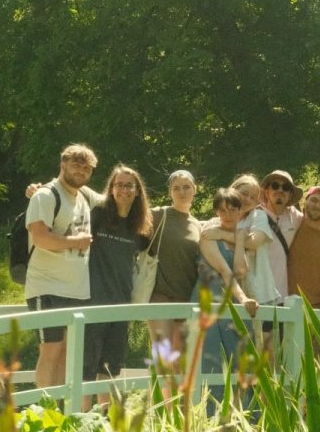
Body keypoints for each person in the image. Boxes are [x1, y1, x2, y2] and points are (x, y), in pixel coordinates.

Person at [25, 143, 97, 389]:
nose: (81, 171)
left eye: (87, 168)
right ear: (62, 165)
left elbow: (119, 199)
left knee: (68, 354)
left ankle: (61, 412)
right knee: (51, 352)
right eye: (76, 164)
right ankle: (45, 414)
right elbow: (41, 238)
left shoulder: (84, 196)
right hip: (47, 287)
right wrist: (76, 242)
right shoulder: (45, 195)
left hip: (77, 290)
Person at [84, 165, 152, 407]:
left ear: (137, 192)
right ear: (111, 189)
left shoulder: (141, 229)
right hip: (92, 302)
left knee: (111, 367)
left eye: (129, 185)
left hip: (122, 304)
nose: (124, 189)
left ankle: (104, 420)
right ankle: (81, 422)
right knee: (87, 366)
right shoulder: (97, 216)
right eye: (119, 185)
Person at [195, 188, 257, 374]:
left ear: (240, 210)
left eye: (232, 209)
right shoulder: (209, 235)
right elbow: (225, 271)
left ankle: (243, 404)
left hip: (233, 300)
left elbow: (240, 270)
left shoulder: (241, 235)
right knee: (211, 360)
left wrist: (238, 240)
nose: (227, 215)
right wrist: (244, 298)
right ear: (217, 212)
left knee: (240, 359)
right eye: (222, 210)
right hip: (209, 301)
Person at [147, 170, 202, 359]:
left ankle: (178, 391)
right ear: (170, 192)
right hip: (160, 296)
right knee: (163, 358)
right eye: (176, 188)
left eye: (187, 187)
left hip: (186, 298)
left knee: (180, 360)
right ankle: (159, 391)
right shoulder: (157, 215)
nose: (182, 192)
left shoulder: (199, 225)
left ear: (195, 190)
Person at [259, 170, 304, 301]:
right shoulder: (254, 215)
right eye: (275, 186)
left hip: (284, 295)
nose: (280, 190)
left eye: (285, 187)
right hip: (257, 293)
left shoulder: (295, 218)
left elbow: (316, 223)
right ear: (266, 191)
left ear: (290, 195)